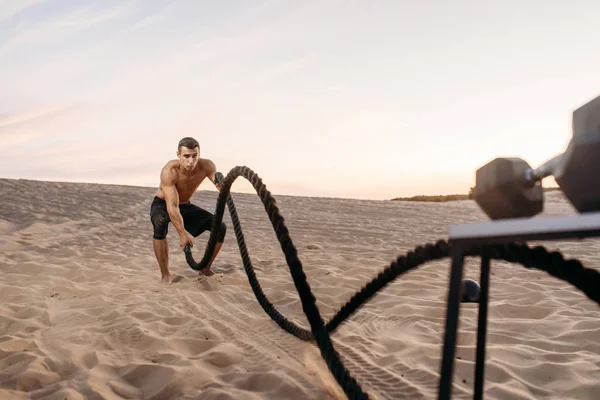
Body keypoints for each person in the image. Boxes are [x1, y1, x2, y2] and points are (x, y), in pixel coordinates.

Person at [150, 137, 227, 283]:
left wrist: (222, 185)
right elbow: (172, 206)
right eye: (186, 156)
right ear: (178, 155)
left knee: (220, 227)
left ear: (199, 154)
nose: (191, 161)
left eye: (194, 155)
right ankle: (165, 275)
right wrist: (183, 234)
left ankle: (205, 268)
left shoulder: (207, 165)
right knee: (160, 223)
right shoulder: (169, 171)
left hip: (184, 204)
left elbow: (216, 181)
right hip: (163, 203)